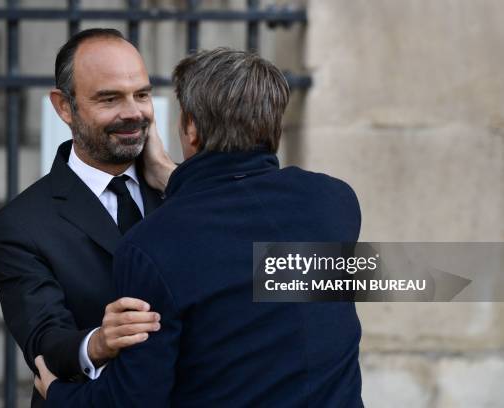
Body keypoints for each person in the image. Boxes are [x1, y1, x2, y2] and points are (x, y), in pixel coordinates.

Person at [35, 48, 364, 407]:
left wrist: (58, 393)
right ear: (273, 124)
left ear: (190, 127)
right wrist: (177, 179)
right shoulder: (333, 203)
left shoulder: (152, 245)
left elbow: (136, 398)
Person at [0, 28, 175, 407]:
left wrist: (172, 176)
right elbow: (44, 340)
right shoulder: (19, 225)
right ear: (64, 107)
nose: (133, 113)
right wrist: (99, 342)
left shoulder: (184, 191)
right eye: (109, 99)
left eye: (141, 94)